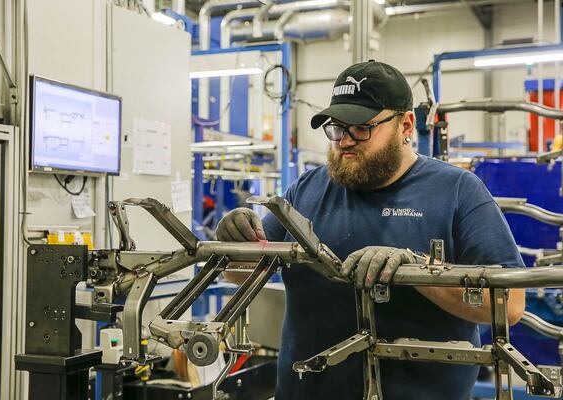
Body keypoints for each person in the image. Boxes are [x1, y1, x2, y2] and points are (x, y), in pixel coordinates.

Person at [216, 60, 526, 400]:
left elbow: (509, 306)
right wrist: (235, 240)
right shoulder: (307, 189)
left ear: (406, 124)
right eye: (336, 128)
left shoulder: (457, 191)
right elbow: (240, 273)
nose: (344, 141)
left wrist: (418, 270)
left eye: (361, 127)